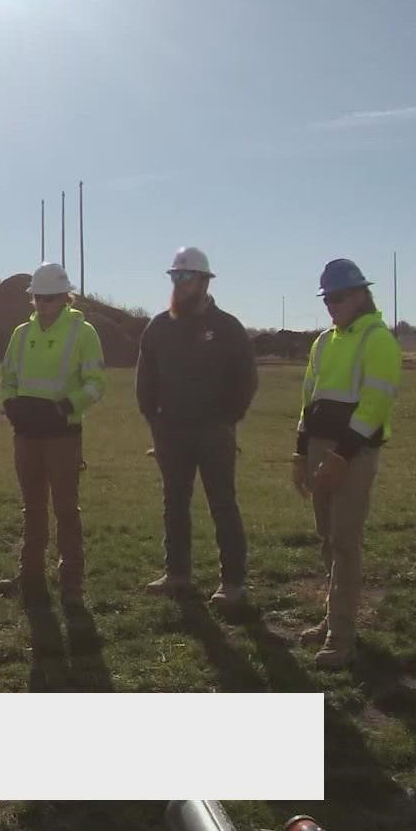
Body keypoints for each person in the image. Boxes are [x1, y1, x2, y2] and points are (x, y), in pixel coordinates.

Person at [292, 259, 401, 670]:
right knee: (327, 537)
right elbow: (309, 401)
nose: (330, 305)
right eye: (327, 298)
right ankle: (331, 618)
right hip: (321, 450)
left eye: (337, 297)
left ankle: (342, 635)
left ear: (359, 295)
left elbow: (374, 407)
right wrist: (300, 454)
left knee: (345, 542)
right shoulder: (323, 342)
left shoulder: (378, 340)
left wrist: (340, 457)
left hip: (353, 454)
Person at [136, 247, 258, 608]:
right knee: (174, 503)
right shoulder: (158, 327)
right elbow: (145, 380)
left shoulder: (227, 328)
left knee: (222, 504)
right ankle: (177, 575)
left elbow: (246, 380)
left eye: (186, 277)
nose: (180, 284)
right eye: (175, 277)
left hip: (214, 433)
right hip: (170, 433)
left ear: (204, 281)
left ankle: (232, 583)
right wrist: (154, 421)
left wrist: (226, 420)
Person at [0, 262, 107, 608]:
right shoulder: (21, 334)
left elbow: (96, 384)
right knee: (33, 506)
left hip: (62, 435)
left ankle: (71, 583)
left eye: (50, 298)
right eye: (37, 297)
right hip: (26, 434)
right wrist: (11, 405)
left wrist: (65, 407)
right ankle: (29, 576)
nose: (42, 304)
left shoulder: (83, 333)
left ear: (65, 297)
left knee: (65, 509)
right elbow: (7, 377)